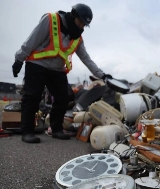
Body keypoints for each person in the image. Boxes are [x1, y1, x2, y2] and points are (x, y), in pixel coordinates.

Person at [12, 3, 113, 143]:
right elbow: (32, 40)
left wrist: (102, 75)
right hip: (37, 65)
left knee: (63, 97)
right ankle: (27, 132)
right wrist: (19, 59)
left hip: (57, 70)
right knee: (32, 97)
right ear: (73, 15)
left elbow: (86, 59)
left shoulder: (77, 37)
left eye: (84, 25)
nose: (81, 27)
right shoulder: (51, 20)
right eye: (80, 22)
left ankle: (56, 129)